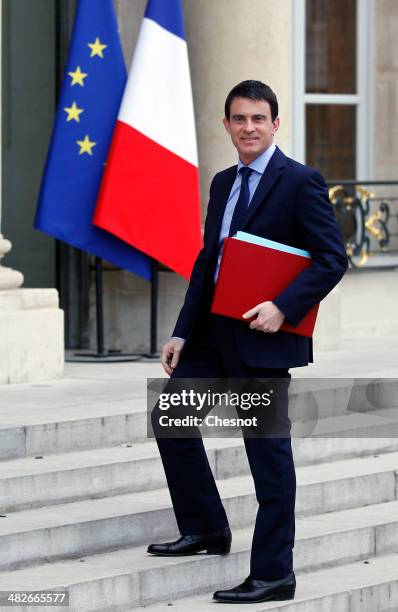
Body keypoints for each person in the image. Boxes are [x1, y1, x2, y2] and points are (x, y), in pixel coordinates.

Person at [147, 80, 348, 604]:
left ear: (276, 124)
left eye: (259, 119)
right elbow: (207, 262)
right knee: (171, 417)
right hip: (211, 336)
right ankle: (207, 528)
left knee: (268, 460)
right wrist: (182, 330)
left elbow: (332, 259)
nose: (250, 128)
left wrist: (283, 307)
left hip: (263, 340)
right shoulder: (221, 183)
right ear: (227, 124)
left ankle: (275, 573)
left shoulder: (301, 181)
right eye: (240, 119)